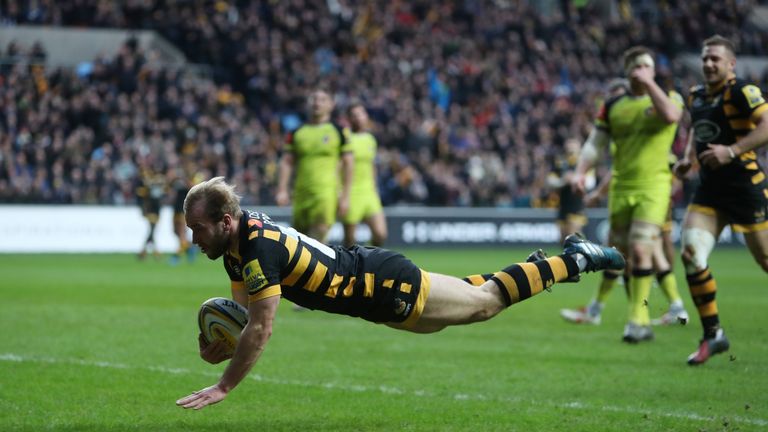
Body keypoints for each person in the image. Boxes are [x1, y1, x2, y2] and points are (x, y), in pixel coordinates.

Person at [175, 177, 625, 410]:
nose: (194, 239)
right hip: (372, 292)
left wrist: (225, 384)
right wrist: (222, 344)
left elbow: (263, 325)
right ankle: (540, 269)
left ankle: (578, 258)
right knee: (468, 304)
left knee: (483, 307)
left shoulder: (255, 248)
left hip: (380, 284)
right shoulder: (237, 243)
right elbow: (244, 314)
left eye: (198, 229)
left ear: (226, 221)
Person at [568, 46, 685, 343]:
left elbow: (671, 117)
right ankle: (634, 316)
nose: (643, 70)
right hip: (621, 187)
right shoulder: (613, 105)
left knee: (643, 247)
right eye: (638, 66)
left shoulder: (669, 98)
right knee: (620, 255)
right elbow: (595, 143)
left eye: (648, 65)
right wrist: (581, 171)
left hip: (654, 186)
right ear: (628, 70)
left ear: (654, 71)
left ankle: (636, 320)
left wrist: (649, 85)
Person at [674, 35, 768, 365]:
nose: (708, 64)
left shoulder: (742, 91)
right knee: (690, 253)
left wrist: (732, 150)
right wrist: (689, 159)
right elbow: (698, 133)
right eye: (705, 58)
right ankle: (713, 334)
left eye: (715, 58)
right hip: (710, 191)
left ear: (730, 64)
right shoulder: (696, 95)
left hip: (746, 188)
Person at [276, 88, 354, 242]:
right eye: (313, 99)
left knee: (318, 237)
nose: (317, 103)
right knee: (298, 240)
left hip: (326, 192)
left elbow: (349, 163)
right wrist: (282, 190)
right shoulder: (296, 132)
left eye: (322, 99)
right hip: (301, 193)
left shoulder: (339, 131)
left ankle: (317, 265)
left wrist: (345, 196)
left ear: (331, 105)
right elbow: (287, 161)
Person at [341, 102, 387, 247]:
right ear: (349, 119)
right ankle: (347, 269)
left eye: (361, 114)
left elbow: (372, 165)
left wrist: (375, 189)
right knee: (350, 241)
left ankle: (368, 262)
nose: (359, 118)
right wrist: (340, 193)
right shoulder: (344, 138)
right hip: (351, 192)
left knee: (380, 234)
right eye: (354, 115)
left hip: (369, 192)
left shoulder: (370, 139)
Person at [548, 137, 588, 244]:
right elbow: (550, 181)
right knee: (563, 240)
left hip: (576, 205)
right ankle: (567, 260)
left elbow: (590, 182)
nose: (571, 147)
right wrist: (563, 181)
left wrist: (575, 179)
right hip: (562, 206)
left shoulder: (584, 162)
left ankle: (578, 260)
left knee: (574, 239)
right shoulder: (560, 162)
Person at [136, 157, 166, 261]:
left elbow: (163, 190)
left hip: (156, 207)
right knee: (152, 229)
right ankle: (152, 252)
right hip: (150, 207)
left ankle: (144, 251)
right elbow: (142, 192)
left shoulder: (158, 179)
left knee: (152, 230)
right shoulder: (148, 179)